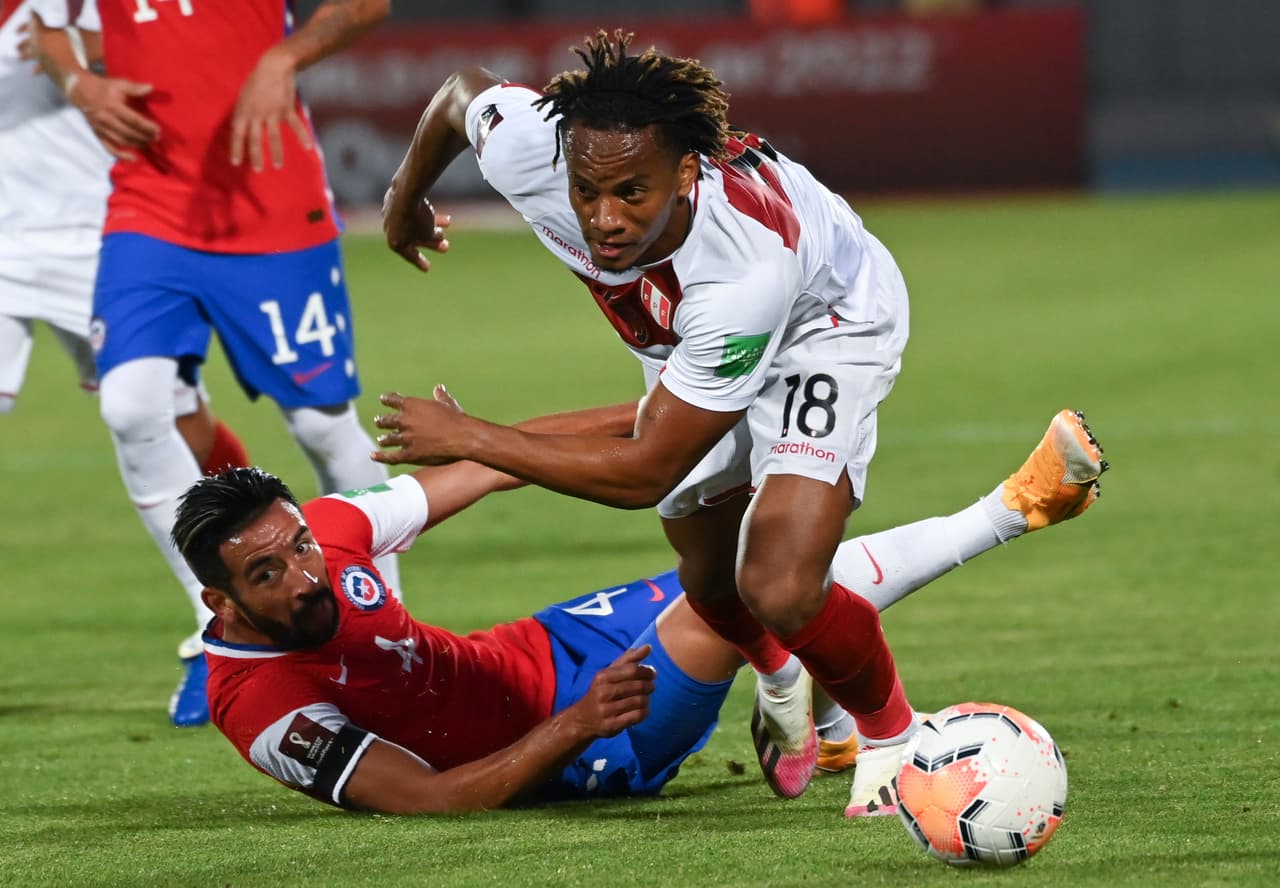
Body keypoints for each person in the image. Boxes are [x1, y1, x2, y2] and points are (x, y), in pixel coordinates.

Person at [378, 32, 1110, 815]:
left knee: (780, 582)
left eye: (631, 193)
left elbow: (646, 471)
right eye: (587, 191)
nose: (604, 217)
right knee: (708, 578)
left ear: (685, 173)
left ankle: (892, 742)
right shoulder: (536, 149)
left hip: (823, 325)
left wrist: (472, 439)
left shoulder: (742, 269)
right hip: (683, 341)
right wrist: (403, 198)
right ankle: (782, 674)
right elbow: (460, 94)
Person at [173, 399, 1106, 814]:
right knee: (741, 596)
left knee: (747, 576)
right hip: (577, 743)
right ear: (219, 599)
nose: (306, 577)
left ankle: (824, 727)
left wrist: (676, 406)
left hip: (544, 644)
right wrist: (575, 725)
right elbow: (425, 799)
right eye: (269, 575)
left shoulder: (330, 533)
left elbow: (492, 465)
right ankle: (1014, 508)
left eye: (300, 548)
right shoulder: (261, 709)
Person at [30, 0, 394, 726]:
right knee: (131, 406)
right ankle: (219, 631)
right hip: (149, 205)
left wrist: (283, 58)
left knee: (324, 430)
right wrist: (79, 83)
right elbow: (44, 25)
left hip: (270, 198)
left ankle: (380, 635)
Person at [3, 0, 251, 727]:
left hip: (105, 232)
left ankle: (230, 617)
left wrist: (82, 54)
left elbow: (174, 55)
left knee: (172, 419)